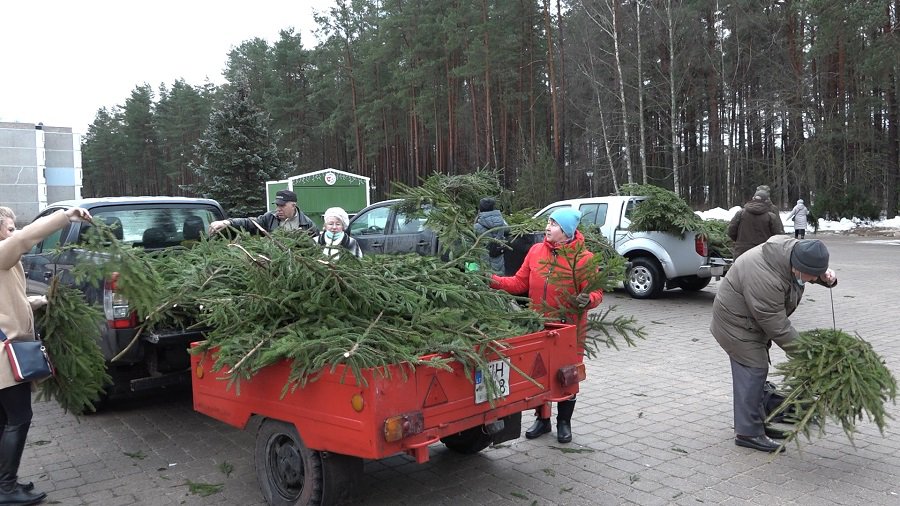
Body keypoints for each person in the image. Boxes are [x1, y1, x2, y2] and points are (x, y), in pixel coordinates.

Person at [1, 205, 93, 505]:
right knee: (19, 417)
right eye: (9, 227)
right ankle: (6, 488)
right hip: (4, 355)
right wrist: (66, 216)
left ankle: (5, 481)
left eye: (14, 227)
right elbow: (25, 239)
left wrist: (34, 302)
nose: (13, 232)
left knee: (5, 420)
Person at [710, 236, 837, 453]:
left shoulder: (793, 255)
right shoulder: (764, 276)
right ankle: (748, 433)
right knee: (753, 369)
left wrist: (826, 278)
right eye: (811, 276)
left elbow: (808, 270)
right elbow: (777, 325)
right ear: (797, 267)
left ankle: (758, 424)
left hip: (751, 322)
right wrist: (809, 355)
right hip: (736, 324)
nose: (811, 279)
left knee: (756, 371)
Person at [490, 208, 603, 444]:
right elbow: (518, 282)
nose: (547, 227)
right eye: (548, 222)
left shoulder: (583, 259)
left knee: (567, 375)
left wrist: (588, 299)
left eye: (553, 224)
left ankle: (564, 422)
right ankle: (542, 420)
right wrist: (492, 280)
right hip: (538, 324)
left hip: (568, 328)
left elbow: (596, 292)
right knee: (538, 373)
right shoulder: (535, 251)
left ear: (567, 231)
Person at [208, 190, 319, 237]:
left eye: (283, 205)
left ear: (293, 205)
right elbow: (249, 223)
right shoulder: (269, 218)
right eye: (277, 205)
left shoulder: (308, 225)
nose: (279, 209)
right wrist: (228, 222)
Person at [727, 190, 784, 259]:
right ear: (766, 201)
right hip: (762, 252)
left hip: (742, 252)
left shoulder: (741, 213)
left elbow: (731, 230)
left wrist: (740, 241)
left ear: (753, 199)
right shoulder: (771, 217)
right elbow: (777, 236)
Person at [474, 197, 509, 274]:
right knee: (498, 282)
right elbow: (508, 229)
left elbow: (470, 249)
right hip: (497, 260)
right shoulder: (501, 222)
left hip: (482, 265)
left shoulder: (476, 226)